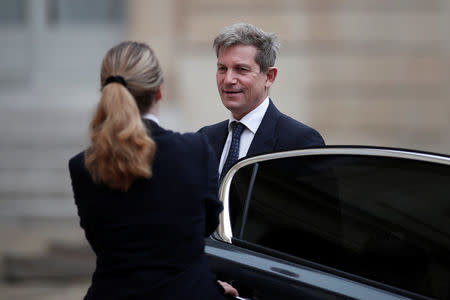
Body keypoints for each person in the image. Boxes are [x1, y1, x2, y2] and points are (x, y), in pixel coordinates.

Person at [68, 41, 238, 299]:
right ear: (159, 92)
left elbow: (102, 243)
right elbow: (206, 227)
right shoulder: (195, 151)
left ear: (105, 92)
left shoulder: (83, 166)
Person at [199, 23, 325, 180]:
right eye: (222, 68)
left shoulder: (300, 142)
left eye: (241, 69)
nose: (228, 79)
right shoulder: (204, 139)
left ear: (269, 77)